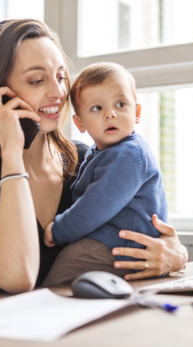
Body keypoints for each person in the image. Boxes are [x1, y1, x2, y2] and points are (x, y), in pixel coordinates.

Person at [0, 19, 188, 303]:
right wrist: (12, 153)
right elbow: (17, 277)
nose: (59, 93)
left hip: (54, 330)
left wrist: (174, 254)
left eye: (60, 77)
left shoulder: (83, 161)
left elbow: (144, 227)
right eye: (37, 80)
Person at [42, 62, 168, 285]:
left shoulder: (129, 155)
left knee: (59, 278)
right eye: (97, 108)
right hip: (113, 241)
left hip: (123, 246)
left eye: (120, 104)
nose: (110, 114)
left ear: (136, 113)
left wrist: (58, 231)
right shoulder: (99, 152)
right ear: (80, 123)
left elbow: (95, 206)